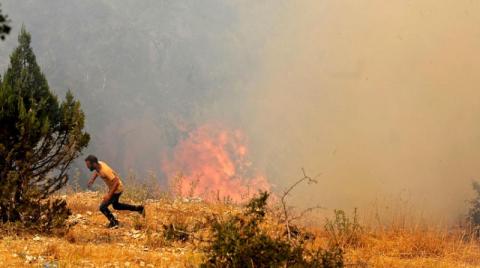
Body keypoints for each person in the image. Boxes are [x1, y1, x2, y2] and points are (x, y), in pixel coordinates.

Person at [84, 154, 145, 228]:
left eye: (88, 165)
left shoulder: (105, 170)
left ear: (93, 164)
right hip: (115, 188)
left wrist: (109, 195)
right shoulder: (98, 164)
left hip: (117, 189)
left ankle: (114, 222)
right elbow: (97, 172)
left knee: (102, 207)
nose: (87, 167)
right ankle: (139, 208)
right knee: (116, 206)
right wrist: (92, 179)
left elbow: (116, 182)